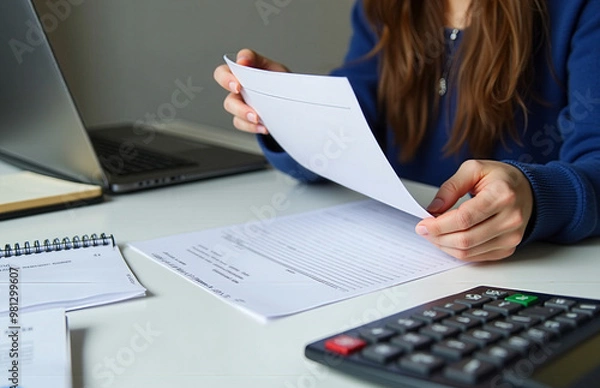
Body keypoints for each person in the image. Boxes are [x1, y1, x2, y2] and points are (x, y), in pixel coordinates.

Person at [214, 0, 600, 263]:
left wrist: (536, 196)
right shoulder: (383, 6)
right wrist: (289, 113)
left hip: (519, 278)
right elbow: (354, 122)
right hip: (393, 263)